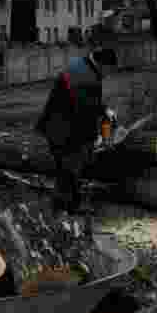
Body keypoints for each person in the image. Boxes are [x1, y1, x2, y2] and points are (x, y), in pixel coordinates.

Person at [35, 37, 113, 214]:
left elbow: (89, 103)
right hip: (63, 130)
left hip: (58, 125)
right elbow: (85, 113)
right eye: (109, 70)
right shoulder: (87, 77)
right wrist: (100, 138)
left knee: (68, 171)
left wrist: (105, 110)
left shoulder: (83, 64)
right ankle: (62, 210)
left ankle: (70, 206)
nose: (109, 74)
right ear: (103, 64)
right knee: (69, 169)